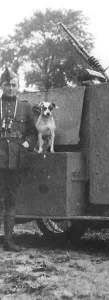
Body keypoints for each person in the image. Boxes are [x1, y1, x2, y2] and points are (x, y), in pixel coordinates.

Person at [0, 67, 37, 251]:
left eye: (14, 85)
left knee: (11, 199)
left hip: (16, 158)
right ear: (2, 86)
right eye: (7, 85)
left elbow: (32, 132)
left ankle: (8, 240)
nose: (11, 88)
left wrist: (28, 144)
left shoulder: (25, 107)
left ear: (19, 86)